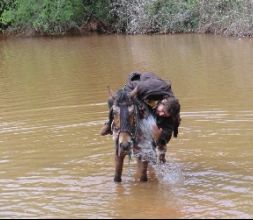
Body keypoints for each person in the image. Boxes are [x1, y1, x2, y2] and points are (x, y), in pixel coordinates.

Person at [100, 71, 181, 161]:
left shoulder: (171, 117)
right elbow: (129, 89)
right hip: (139, 96)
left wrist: (159, 137)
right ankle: (109, 123)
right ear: (163, 101)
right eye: (162, 111)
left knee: (160, 143)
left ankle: (161, 160)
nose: (161, 113)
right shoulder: (152, 87)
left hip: (150, 104)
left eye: (164, 114)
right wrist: (133, 101)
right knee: (112, 100)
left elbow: (167, 133)